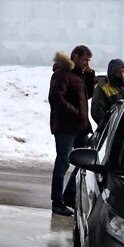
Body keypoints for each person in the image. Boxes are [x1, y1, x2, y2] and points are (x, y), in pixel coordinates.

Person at [48, 44, 93, 216]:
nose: (86, 63)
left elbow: (86, 96)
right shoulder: (62, 74)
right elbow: (56, 99)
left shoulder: (78, 75)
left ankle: (69, 195)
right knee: (63, 162)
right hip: (65, 127)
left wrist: (89, 76)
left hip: (79, 127)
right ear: (75, 57)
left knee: (86, 160)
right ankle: (57, 201)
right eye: (85, 60)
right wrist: (76, 113)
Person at [91, 58, 124, 129]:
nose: (122, 75)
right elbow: (96, 112)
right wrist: (108, 126)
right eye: (119, 72)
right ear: (112, 73)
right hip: (111, 129)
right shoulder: (103, 87)